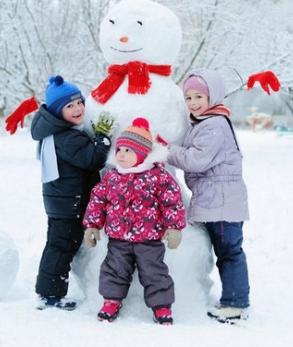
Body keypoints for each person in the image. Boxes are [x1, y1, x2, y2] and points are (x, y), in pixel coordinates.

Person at [158, 69, 250, 323]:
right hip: (216, 200)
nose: (193, 103)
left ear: (214, 95)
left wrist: (165, 150)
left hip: (221, 203)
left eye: (199, 96)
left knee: (229, 252)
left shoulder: (214, 125)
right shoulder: (207, 122)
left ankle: (235, 302)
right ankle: (235, 299)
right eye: (188, 98)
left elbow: (196, 160)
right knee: (227, 251)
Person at [83, 118, 186, 325]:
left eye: (128, 151)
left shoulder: (157, 176)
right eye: (119, 149)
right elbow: (98, 200)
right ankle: (111, 300)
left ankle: (162, 306)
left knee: (154, 272)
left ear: (142, 154)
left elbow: (172, 201)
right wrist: (92, 225)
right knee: (114, 270)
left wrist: (174, 227)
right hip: (118, 238)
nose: (120, 154)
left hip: (149, 239)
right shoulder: (112, 177)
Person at [29, 75, 113, 310]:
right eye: (69, 106)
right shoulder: (67, 138)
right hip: (69, 204)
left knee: (58, 245)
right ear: (57, 111)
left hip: (62, 201)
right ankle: (50, 294)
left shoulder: (61, 132)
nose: (78, 109)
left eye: (79, 102)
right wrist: (103, 137)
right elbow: (94, 160)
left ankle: (48, 290)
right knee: (62, 247)